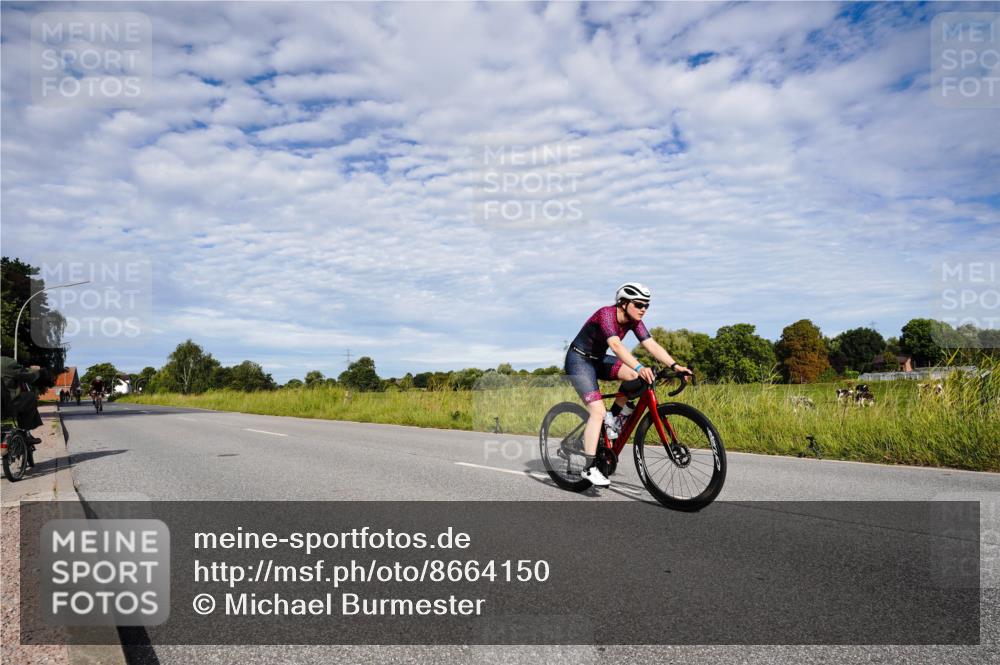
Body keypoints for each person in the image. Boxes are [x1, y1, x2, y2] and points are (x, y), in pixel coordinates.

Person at [564, 282, 691, 487]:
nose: (643, 309)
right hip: (579, 360)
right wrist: (640, 366)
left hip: (597, 359)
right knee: (597, 411)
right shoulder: (606, 314)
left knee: (634, 377)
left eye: (647, 306)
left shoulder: (634, 321)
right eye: (639, 304)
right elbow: (615, 345)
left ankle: (613, 417)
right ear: (623, 303)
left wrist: (675, 365)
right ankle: (589, 467)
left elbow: (651, 344)